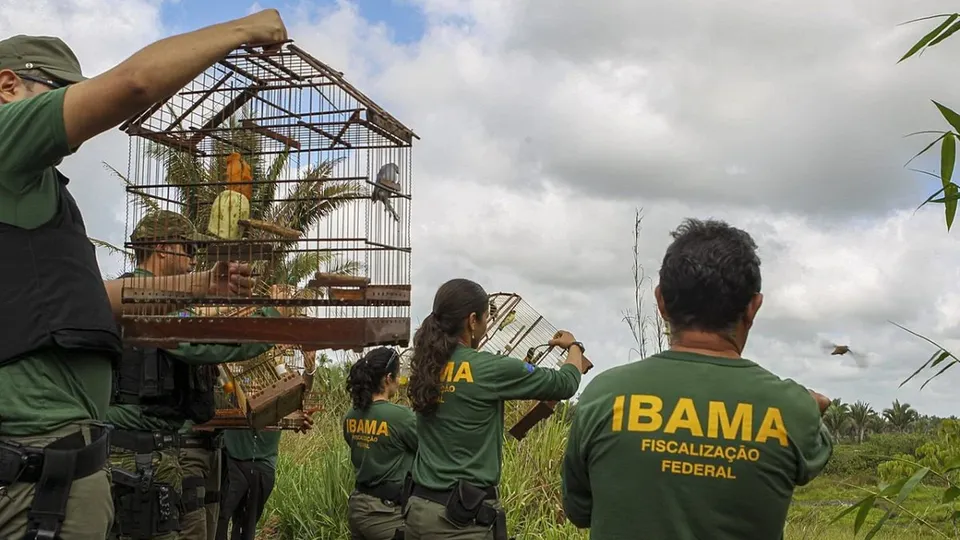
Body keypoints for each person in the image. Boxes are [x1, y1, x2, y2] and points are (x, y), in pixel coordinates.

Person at [0, 10, 286, 537]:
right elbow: (132, 85)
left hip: (54, 466)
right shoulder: (5, 140)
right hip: (34, 465)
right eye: (60, 92)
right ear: (8, 85)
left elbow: (89, 297)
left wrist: (199, 284)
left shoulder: (31, 198)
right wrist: (243, 30)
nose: (74, 116)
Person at [560, 218, 834, 540]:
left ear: (661, 301)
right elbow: (811, 455)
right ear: (753, 307)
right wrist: (806, 409)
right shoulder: (793, 408)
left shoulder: (605, 394)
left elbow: (579, 512)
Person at [109, 210, 287, 540]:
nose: (193, 259)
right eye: (187, 248)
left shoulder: (150, 297)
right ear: (163, 248)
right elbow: (203, 341)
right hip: (136, 454)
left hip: (153, 451)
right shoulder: (144, 295)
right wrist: (271, 318)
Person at [402, 278, 586, 540]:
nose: (486, 327)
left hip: (417, 510)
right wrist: (574, 346)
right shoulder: (488, 367)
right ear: (472, 320)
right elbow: (565, 383)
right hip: (460, 523)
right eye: (486, 318)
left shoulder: (425, 365)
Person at [343, 347, 418, 540]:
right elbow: (430, 448)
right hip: (386, 513)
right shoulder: (401, 417)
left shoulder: (351, 416)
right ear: (388, 378)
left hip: (358, 506)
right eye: (398, 376)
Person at [216, 409, 313, 540]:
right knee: (222, 520)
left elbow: (296, 414)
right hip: (235, 459)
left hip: (259, 463)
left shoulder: (279, 392)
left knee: (243, 524)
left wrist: (298, 418)